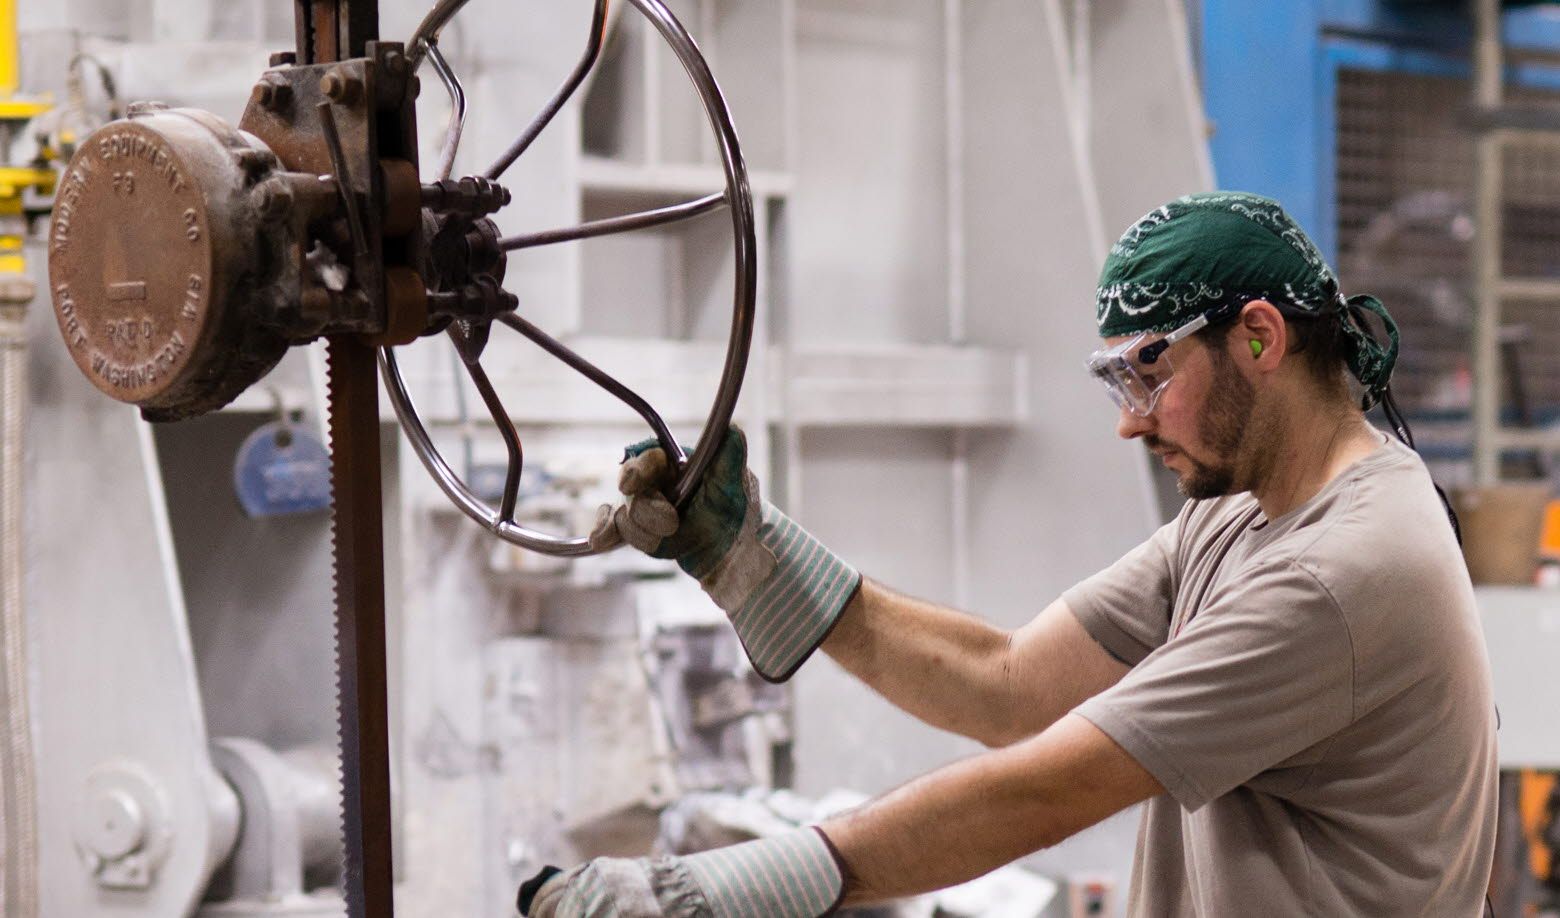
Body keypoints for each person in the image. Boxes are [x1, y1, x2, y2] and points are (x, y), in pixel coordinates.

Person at [518, 192, 1498, 917]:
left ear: (1258, 338)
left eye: (1149, 373)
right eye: (1119, 386)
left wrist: (706, 895)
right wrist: (753, 555)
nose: (1131, 424)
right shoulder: (1245, 511)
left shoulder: (1340, 573)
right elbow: (1009, 685)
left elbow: (1049, 787)